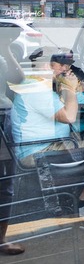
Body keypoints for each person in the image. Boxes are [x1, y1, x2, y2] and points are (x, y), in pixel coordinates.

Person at [9, 49, 81, 168]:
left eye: (67, 65)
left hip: (49, 144)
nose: (65, 69)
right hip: (39, 151)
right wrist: (70, 88)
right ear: (46, 66)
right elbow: (69, 117)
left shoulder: (37, 84)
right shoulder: (36, 89)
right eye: (61, 64)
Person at [0, 26, 24, 255]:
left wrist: (5, 47)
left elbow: (18, 79)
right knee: (5, 182)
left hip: (4, 117)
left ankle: (1, 238)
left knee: (6, 182)